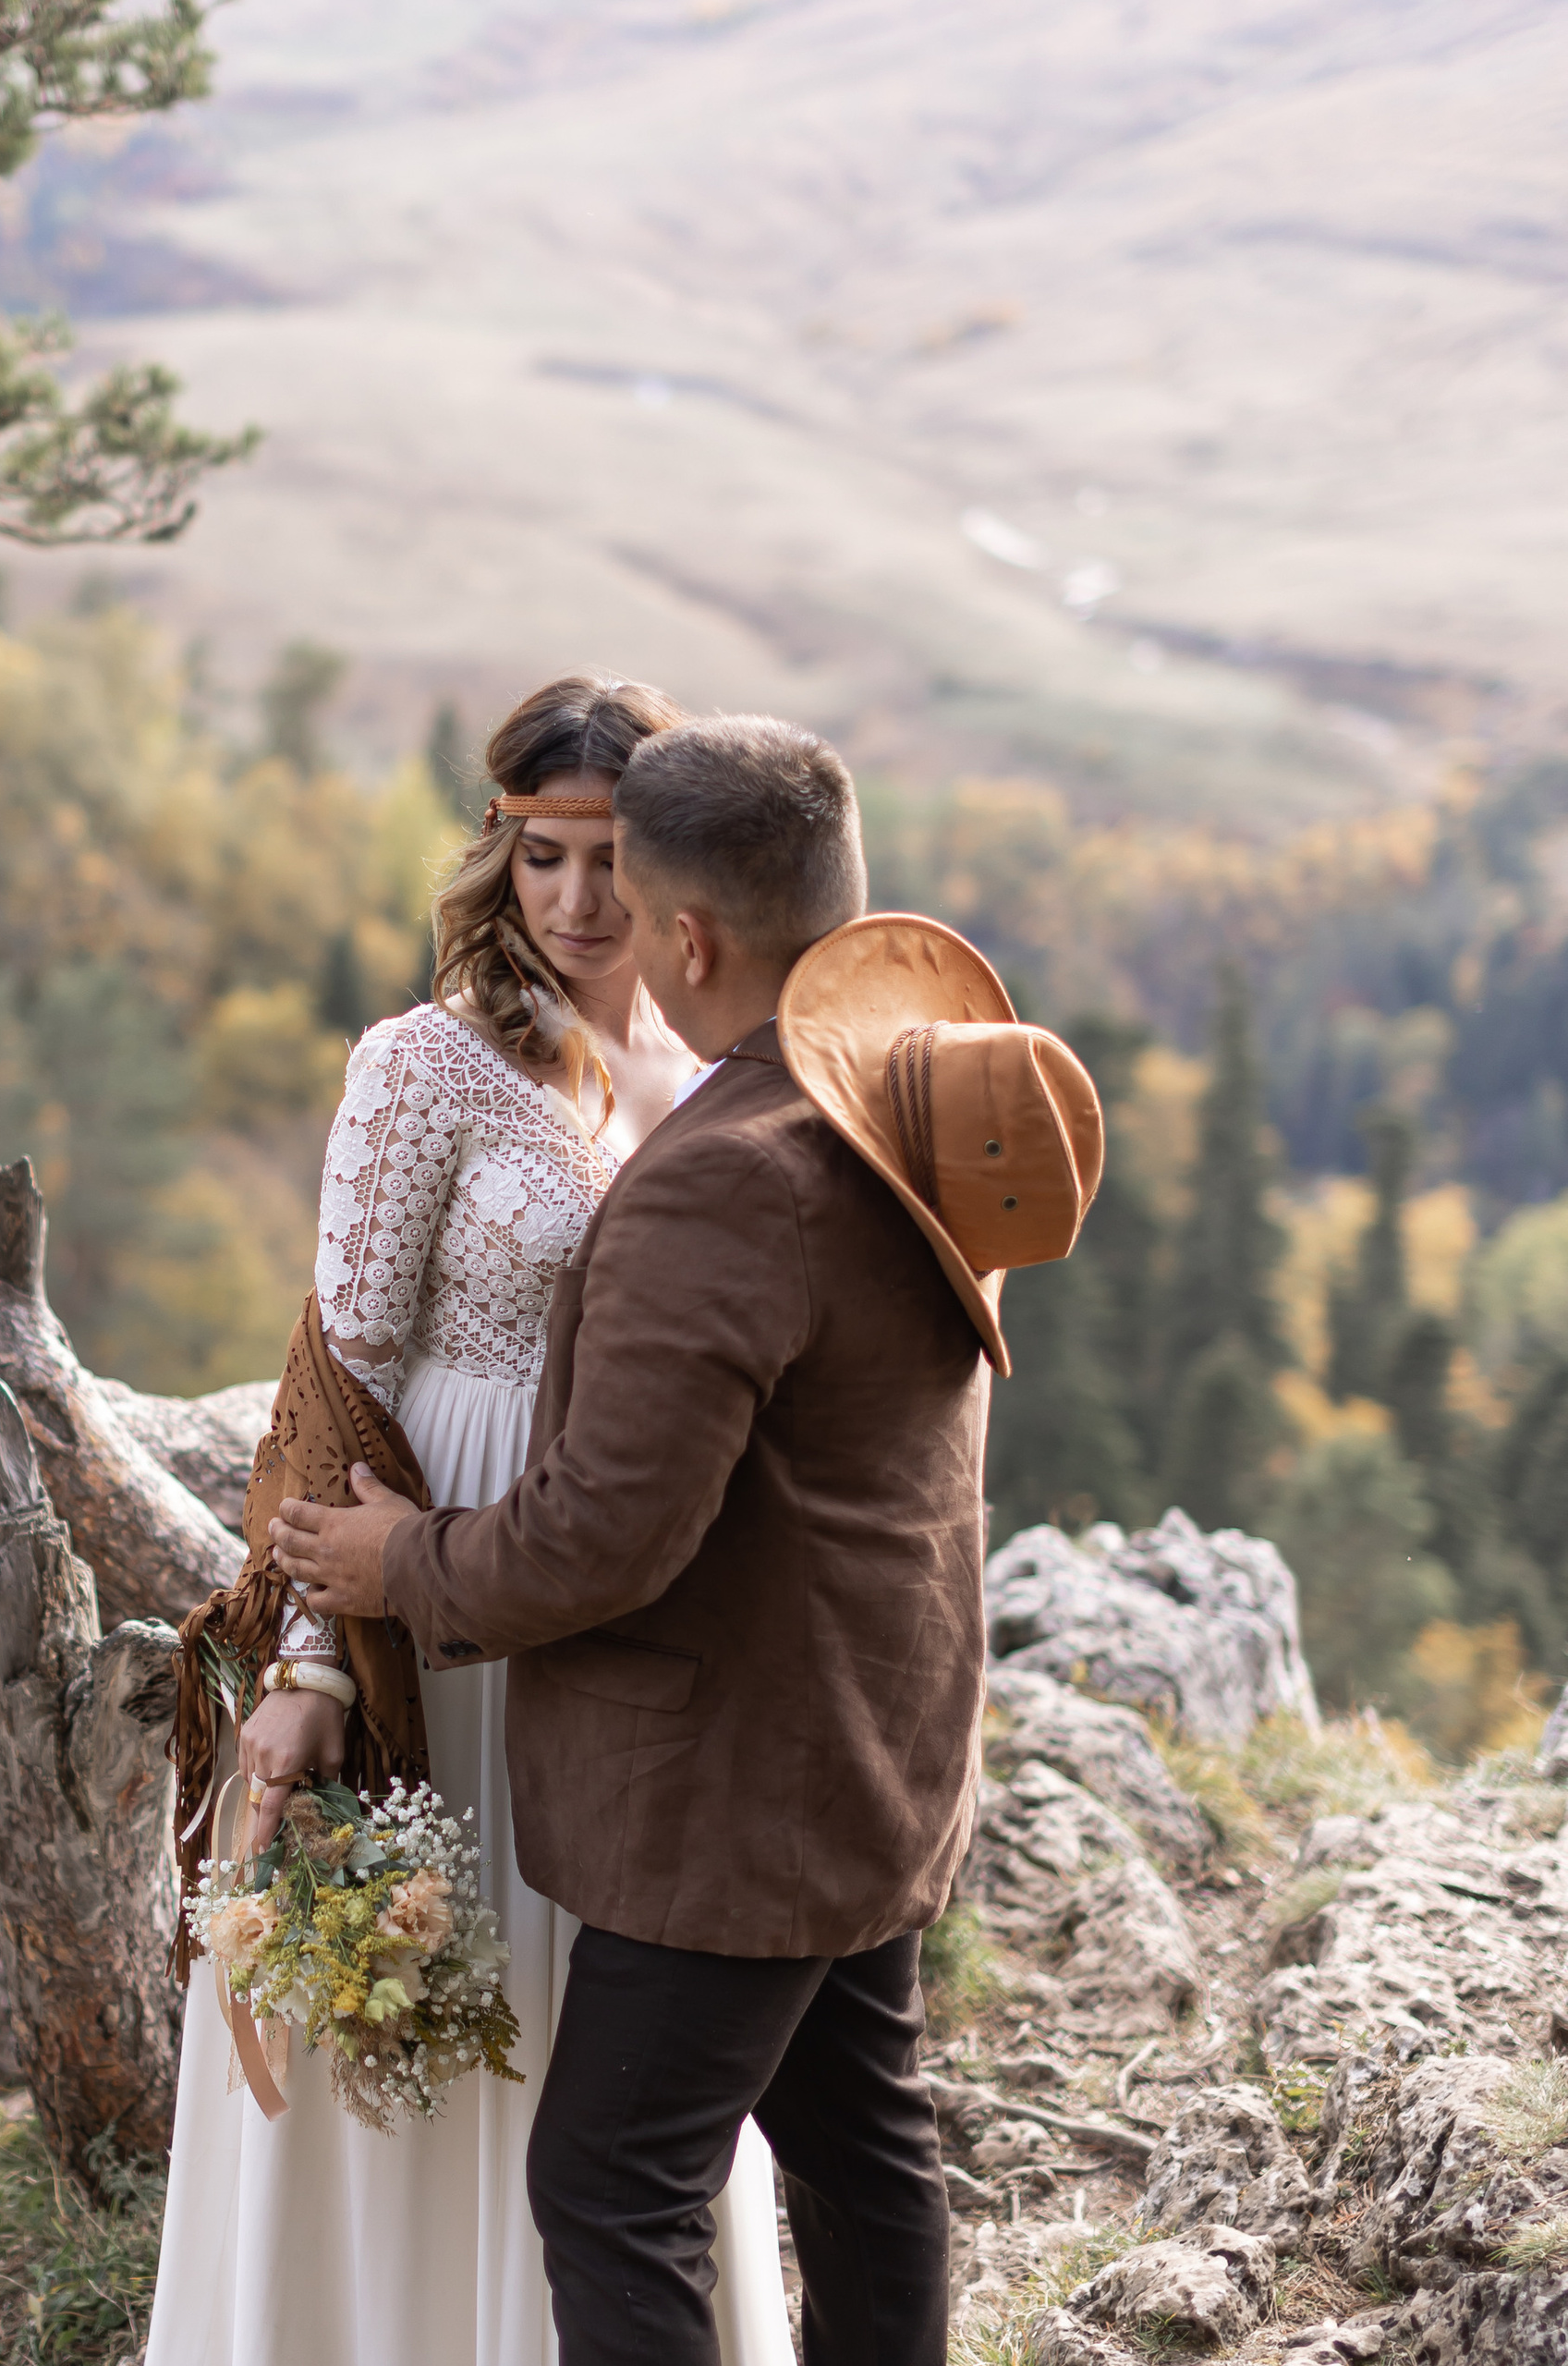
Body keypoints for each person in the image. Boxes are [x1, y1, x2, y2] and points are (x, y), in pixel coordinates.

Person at [271, 713, 1090, 2364]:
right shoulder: (906, 1095)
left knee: (611, 2187)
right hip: (880, 1741)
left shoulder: (722, 1178)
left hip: (735, 1789)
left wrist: (395, 1568)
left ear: (693, 939)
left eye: (633, 903)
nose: (604, 931)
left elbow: (601, 1536)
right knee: (862, 2148)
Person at [146, 678, 796, 2366]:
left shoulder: (709, 1073)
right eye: (538, 856)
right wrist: (313, 1663)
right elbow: (337, 1382)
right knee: (424, 1993)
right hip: (423, 1578)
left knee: (603, 2025)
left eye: (609, 859)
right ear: (496, 855)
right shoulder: (423, 1066)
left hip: (622, 1588)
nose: (575, 902)